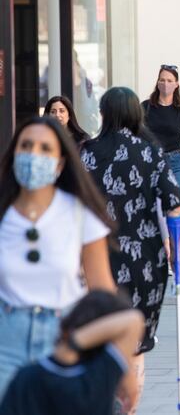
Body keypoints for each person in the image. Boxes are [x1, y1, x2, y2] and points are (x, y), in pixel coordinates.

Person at [81, 87, 180, 413]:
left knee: (101, 337)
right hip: (145, 259)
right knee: (135, 343)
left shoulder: (86, 153)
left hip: (96, 257)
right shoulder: (150, 152)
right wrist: (176, 251)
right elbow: (176, 207)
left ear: (104, 114)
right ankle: (128, 407)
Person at [0, 117, 116, 399]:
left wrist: (112, 364)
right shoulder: (4, 214)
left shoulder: (79, 214)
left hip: (64, 339)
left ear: (60, 163)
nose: (33, 155)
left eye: (44, 149)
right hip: (6, 342)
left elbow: (102, 292)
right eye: (26, 146)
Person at [0, 291, 144, 415]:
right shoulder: (99, 379)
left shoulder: (27, 377)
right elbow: (133, 320)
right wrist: (74, 343)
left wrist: (67, 346)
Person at [142, 64, 180, 189]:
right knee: (154, 204)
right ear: (157, 82)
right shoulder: (145, 107)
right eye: (162, 80)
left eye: (169, 80)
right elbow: (136, 136)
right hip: (151, 160)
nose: (165, 84)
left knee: (175, 203)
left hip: (176, 162)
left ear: (176, 84)